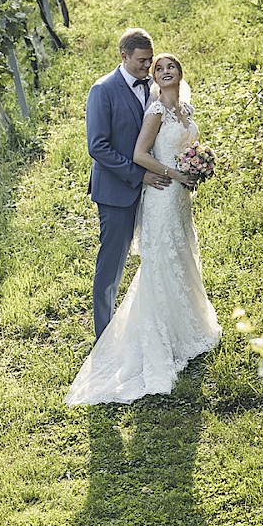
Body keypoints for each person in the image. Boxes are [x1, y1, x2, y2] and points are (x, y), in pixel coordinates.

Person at [66, 52, 220, 405]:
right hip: (163, 193)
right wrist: (176, 173)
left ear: (181, 71)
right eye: (157, 68)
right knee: (158, 261)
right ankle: (145, 338)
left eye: (170, 66)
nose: (165, 72)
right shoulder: (153, 110)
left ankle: (187, 327)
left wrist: (198, 165)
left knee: (181, 253)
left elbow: (187, 146)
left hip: (180, 197)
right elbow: (138, 153)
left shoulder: (185, 107)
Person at [85, 27, 171, 343]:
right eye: (140, 61)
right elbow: (98, 146)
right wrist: (137, 174)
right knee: (111, 266)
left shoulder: (153, 85)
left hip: (153, 191)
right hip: (116, 191)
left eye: (150, 60)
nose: (146, 67)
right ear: (123, 56)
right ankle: (104, 338)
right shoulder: (102, 91)